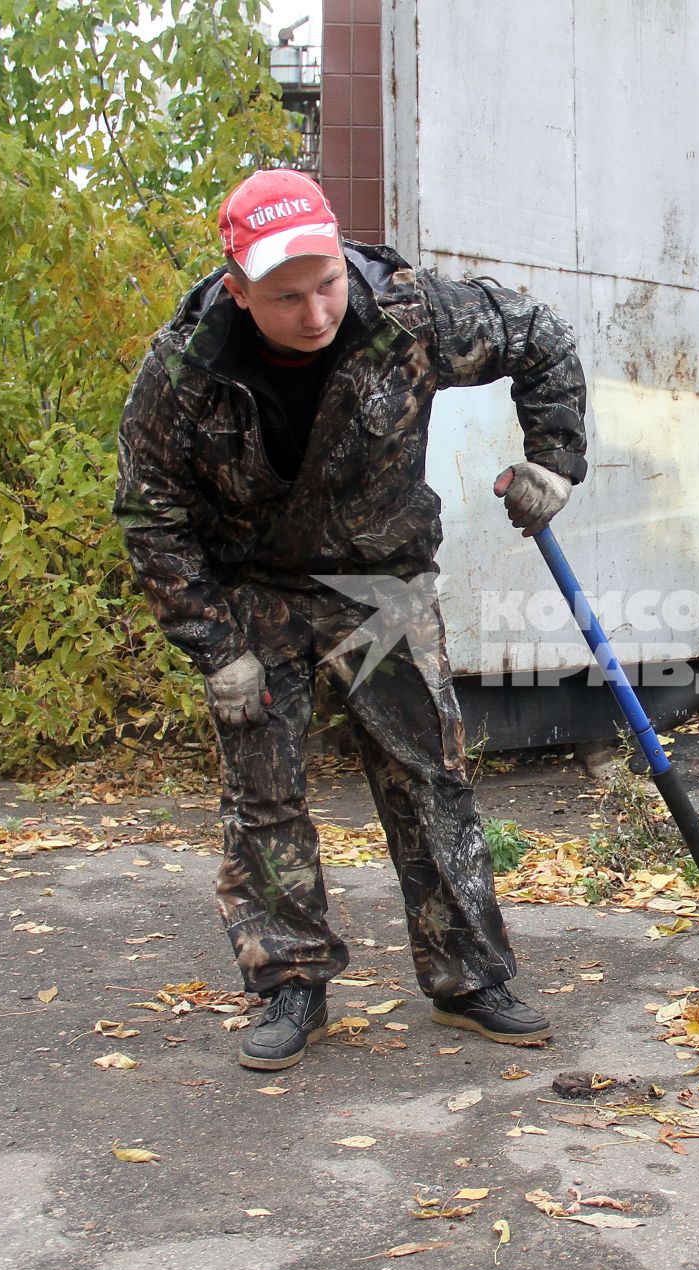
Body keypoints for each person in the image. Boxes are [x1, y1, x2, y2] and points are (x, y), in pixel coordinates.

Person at [114, 169, 587, 1071]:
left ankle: (469, 977)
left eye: (327, 281)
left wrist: (555, 460)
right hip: (255, 591)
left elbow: (542, 336)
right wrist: (214, 643)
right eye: (287, 296)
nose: (317, 310)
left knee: (429, 775)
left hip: (382, 583)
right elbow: (150, 513)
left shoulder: (409, 314)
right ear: (238, 288)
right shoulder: (184, 371)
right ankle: (291, 987)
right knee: (264, 795)